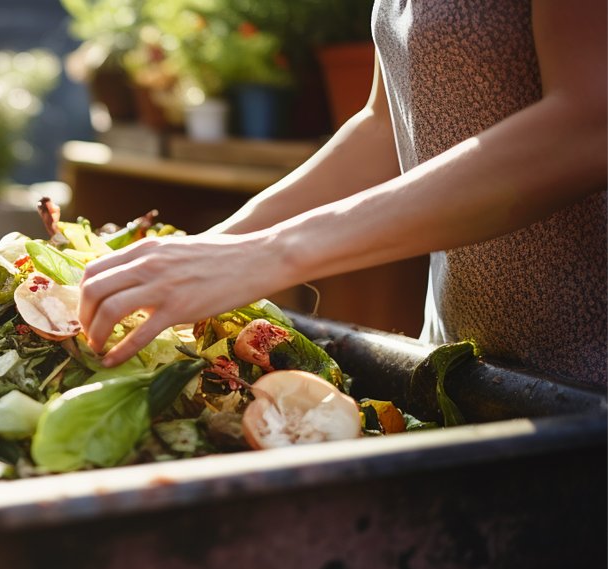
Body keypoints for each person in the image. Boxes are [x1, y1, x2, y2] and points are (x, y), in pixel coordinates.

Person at [78, 0, 607, 389]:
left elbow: (590, 123)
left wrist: (272, 252)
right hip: (469, 367)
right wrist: (212, 249)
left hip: (589, 380)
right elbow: (385, 126)